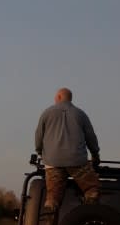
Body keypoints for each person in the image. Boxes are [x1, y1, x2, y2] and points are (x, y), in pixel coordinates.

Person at [34, 87, 101, 216]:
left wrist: (39, 151)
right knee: (92, 189)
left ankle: (50, 210)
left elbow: (38, 136)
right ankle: (88, 211)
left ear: (59, 97)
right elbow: (91, 137)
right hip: (77, 162)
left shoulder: (46, 113)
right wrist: (95, 154)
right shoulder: (81, 114)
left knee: (53, 195)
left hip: (52, 162)